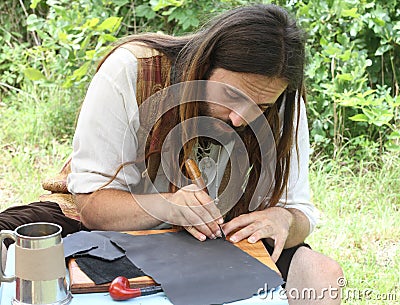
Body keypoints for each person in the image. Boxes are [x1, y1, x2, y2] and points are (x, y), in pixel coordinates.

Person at [0, 4, 343, 304]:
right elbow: (91, 208)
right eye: (232, 96)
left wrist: (285, 220)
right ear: (204, 64)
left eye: (260, 106)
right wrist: (169, 206)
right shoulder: (132, 70)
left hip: (218, 238)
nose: (241, 118)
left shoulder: (281, 100)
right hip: (96, 223)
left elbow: (301, 212)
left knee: (322, 274)